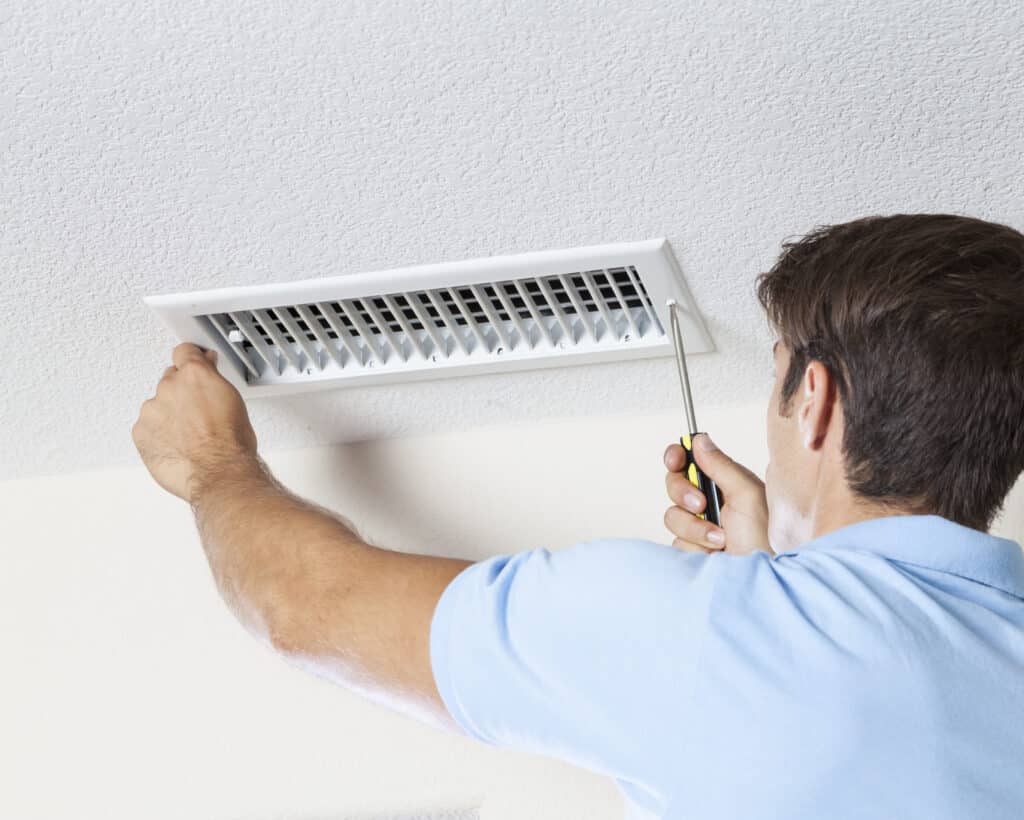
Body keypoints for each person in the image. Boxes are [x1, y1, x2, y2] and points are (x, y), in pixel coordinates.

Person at [132, 213, 1024, 819]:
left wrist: (213, 468)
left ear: (815, 401)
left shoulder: (704, 633)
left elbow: (302, 609)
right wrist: (782, 572)